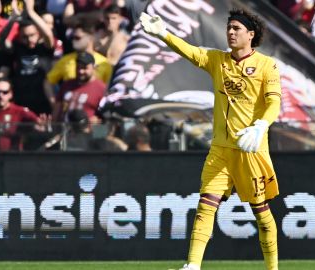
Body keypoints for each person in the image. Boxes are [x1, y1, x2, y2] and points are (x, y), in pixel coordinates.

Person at [140, 8, 281, 270]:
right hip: (220, 150)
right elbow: (191, 52)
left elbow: (275, 102)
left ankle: (272, 269)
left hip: (251, 150)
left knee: (262, 215)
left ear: (250, 34)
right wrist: (163, 34)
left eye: (236, 28)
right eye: (229, 27)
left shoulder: (267, 65)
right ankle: (193, 266)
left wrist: (261, 126)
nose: (230, 32)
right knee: (206, 205)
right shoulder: (218, 60)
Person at [0, 77, 44, 151]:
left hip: (13, 159)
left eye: (5, 92)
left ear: (11, 94)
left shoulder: (20, 112)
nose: (0, 95)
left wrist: (43, 126)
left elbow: (41, 127)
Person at [52, 51, 106, 123]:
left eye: (84, 68)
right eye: (78, 67)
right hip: (65, 130)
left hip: (87, 132)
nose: (80, 71)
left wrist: (96, 121)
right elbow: (57, 109)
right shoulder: (67, 84)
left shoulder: (101, 88)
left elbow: (104, 117)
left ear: (93, 67)